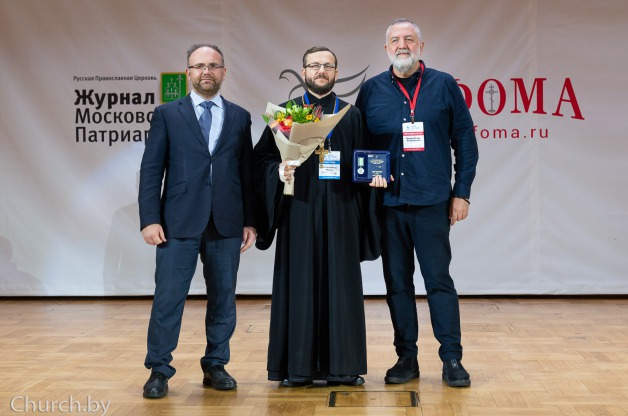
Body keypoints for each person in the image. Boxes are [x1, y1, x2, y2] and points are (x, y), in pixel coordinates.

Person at [355, 19, 479, 388]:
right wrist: (368, 174)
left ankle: (452, 357)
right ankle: (406, 357)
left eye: (409, 39)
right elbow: (361, 144)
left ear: (420, 46)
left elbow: (465, 142)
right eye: (395, 40)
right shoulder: (371, 90)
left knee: (438, 281)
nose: (402, 45)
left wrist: (462, 192)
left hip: (432, 203)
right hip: (389, 205)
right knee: (397, 284)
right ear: (386, 49)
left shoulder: (444, 84)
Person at [254, 46, 381, 387]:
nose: (321, 70)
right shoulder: (286, 114)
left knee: (342, 287)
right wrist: (278, 171)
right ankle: (298, 368)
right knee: (300, 285)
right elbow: (260, 161)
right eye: (314, 65)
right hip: (299, 211)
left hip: (342, 212)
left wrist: (374, 176)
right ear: (303, 72)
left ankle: (343, 367)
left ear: (336, 73)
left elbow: (365, 161)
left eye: (327, 65)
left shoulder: (351, 115)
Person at [138, 43, 257, 398]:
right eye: (199, 66)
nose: (207, 71)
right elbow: (151, 170)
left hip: (226, 223)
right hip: (177, 223)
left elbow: (246, 173)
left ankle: (216, 364)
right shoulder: (167, 114)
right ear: (188, 72)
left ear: (224, 72)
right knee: (168, 299)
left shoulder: (240, 116)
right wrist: (149, 218)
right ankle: (159, 370)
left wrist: (250, 221)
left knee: (223, 299)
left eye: (214, 66)